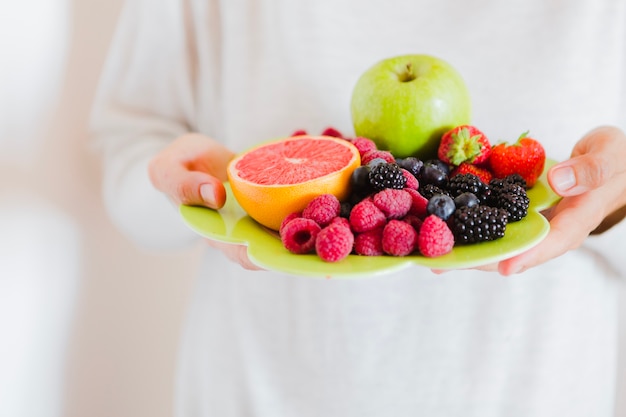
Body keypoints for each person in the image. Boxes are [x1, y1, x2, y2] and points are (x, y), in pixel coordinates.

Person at [90, 0, 626, 416]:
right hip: (262, 392)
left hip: (534, 393)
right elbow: (128, 157)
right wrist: (189, 197)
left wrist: (613, 201)